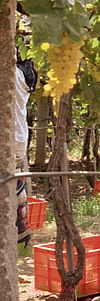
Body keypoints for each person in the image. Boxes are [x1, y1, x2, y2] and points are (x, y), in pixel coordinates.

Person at [13, 56, 36, 245]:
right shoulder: (25, 74)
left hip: (10, 138)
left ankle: (18, 240)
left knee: (10, 188)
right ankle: (21, 240)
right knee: (15, 186)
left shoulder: (12, 74)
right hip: (18, 138)